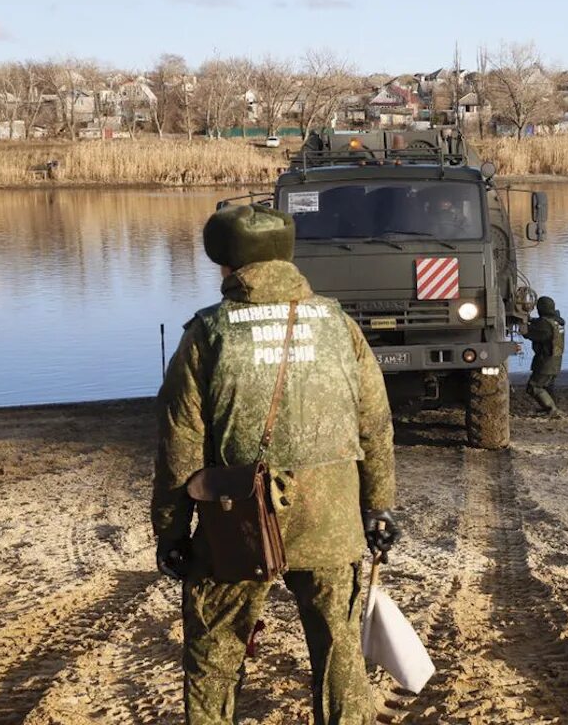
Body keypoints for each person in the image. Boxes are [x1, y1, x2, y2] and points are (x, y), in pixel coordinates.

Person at [153, 204, 398, 725]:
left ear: (223, 261)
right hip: (332, 521)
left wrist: (171, 532)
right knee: (339, 656)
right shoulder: (340, 325)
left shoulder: (207, 334)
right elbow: (375, 425)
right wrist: (378, 508)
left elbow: (180, 444)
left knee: (214, 656)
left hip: (237, 521)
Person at [524, 295, 565, 416]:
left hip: (546, 361)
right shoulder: (557, 321)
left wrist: (523, 323)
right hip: (556, 360)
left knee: (534, 387)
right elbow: (542, 323)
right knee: (547, 386)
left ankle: (552, 409)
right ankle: (549, 408)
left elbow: (528, 333)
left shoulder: (545, 325)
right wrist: (531, 320)